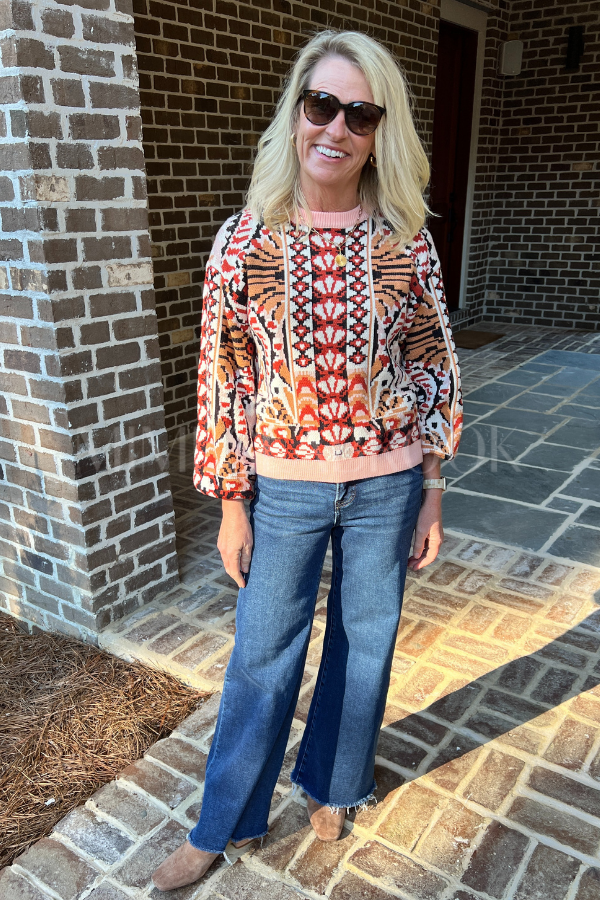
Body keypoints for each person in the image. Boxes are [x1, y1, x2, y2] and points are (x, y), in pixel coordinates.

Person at [152, 29, 462, 892]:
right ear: (296, 111)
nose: (338, 129)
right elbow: (224, 377)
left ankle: (333, 782)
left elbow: (433, 365)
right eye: (323, 104)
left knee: (366, 645)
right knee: (262, 656)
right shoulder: (245, 242)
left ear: (380, 132)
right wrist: (231, 503)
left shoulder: (406, 241)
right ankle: (222, 823)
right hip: (283, 489)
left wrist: (432, 489)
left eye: (361, 115)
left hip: (388, 484)